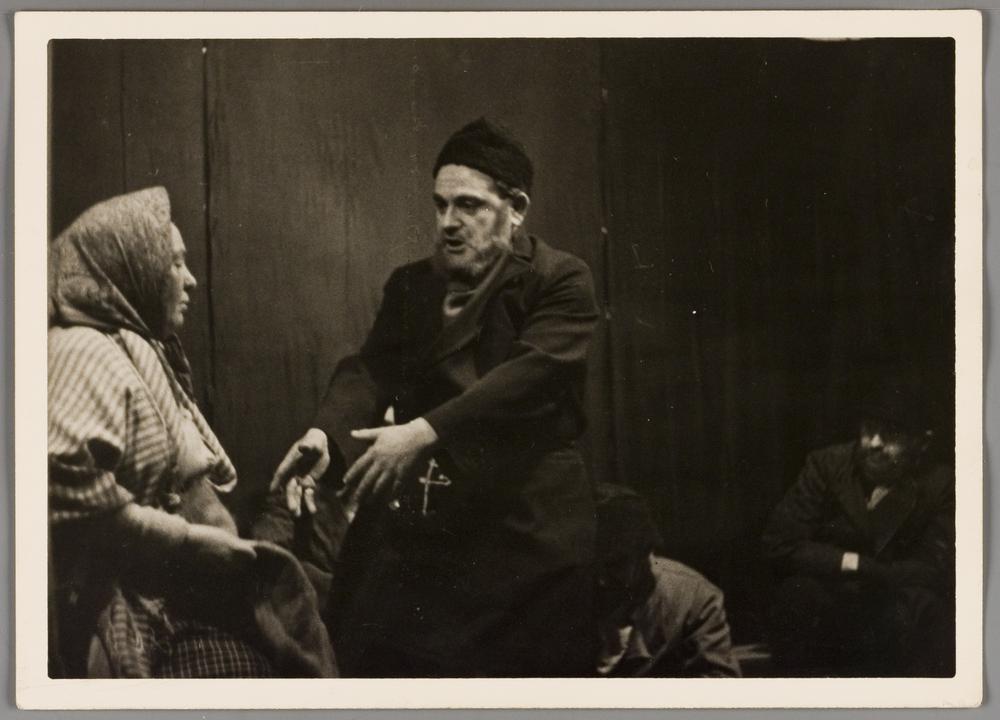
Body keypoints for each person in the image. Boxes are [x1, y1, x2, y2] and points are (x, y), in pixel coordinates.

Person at [272, 118, 600, 677]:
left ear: (516, 207)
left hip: (527, 534)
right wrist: (325, 434)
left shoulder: (559, 279)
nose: (449, 222)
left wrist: (424, 431)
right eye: (441, 205)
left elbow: (529, 375)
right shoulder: (413, 286)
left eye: (469, 205)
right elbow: (370, 369)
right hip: (432, 526)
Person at [48, 187, 335, 678]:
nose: (191, 280)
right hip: (153, 609)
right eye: (175, 263)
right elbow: (60, 477)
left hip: (186, 589)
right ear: (132, 266)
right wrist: (185, 543)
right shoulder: (83, 349)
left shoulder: (133, 344)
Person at [761, 372, 955, 677]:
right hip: (827, 602)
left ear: (922, 443)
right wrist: (854, 563)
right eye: (868, 429)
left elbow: (935, 567)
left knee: (926, 611)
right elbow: (780, 544)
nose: (873, 443)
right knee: (798, 595)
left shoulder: (940, 484)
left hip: (895, 608)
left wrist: (876, 574)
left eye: (891, 434)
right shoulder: (826, 465)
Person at [594, 483, 741, 678]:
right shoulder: (567, 594)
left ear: (645, 554)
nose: (601, 579)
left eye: (615, 564)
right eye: (591, 564)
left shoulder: (694, 598)